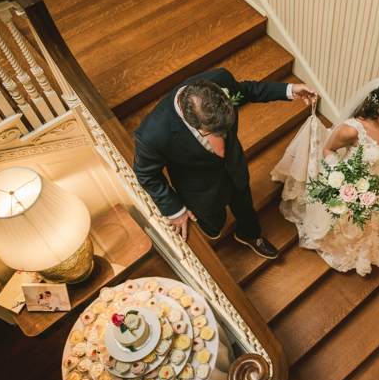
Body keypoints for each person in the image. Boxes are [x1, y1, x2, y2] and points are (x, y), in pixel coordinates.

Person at [133, 68, 317, 258]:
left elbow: (248, 91)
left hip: (235, 166)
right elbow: (146, 174)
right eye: (210, 133)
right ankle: (211, 225)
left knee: (245, 204)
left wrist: (289, 90)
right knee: (214, 223)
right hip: (200, 190)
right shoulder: (152, 135)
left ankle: (250, 234)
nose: (221, 137)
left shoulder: (220, 80)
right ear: (188, 119)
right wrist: (175, 210)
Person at [273, 79, 379, 275]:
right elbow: (328, 149)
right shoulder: (352, 129)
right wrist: (340, 179)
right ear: (376, 112)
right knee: (352, 220)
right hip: (353, 178)